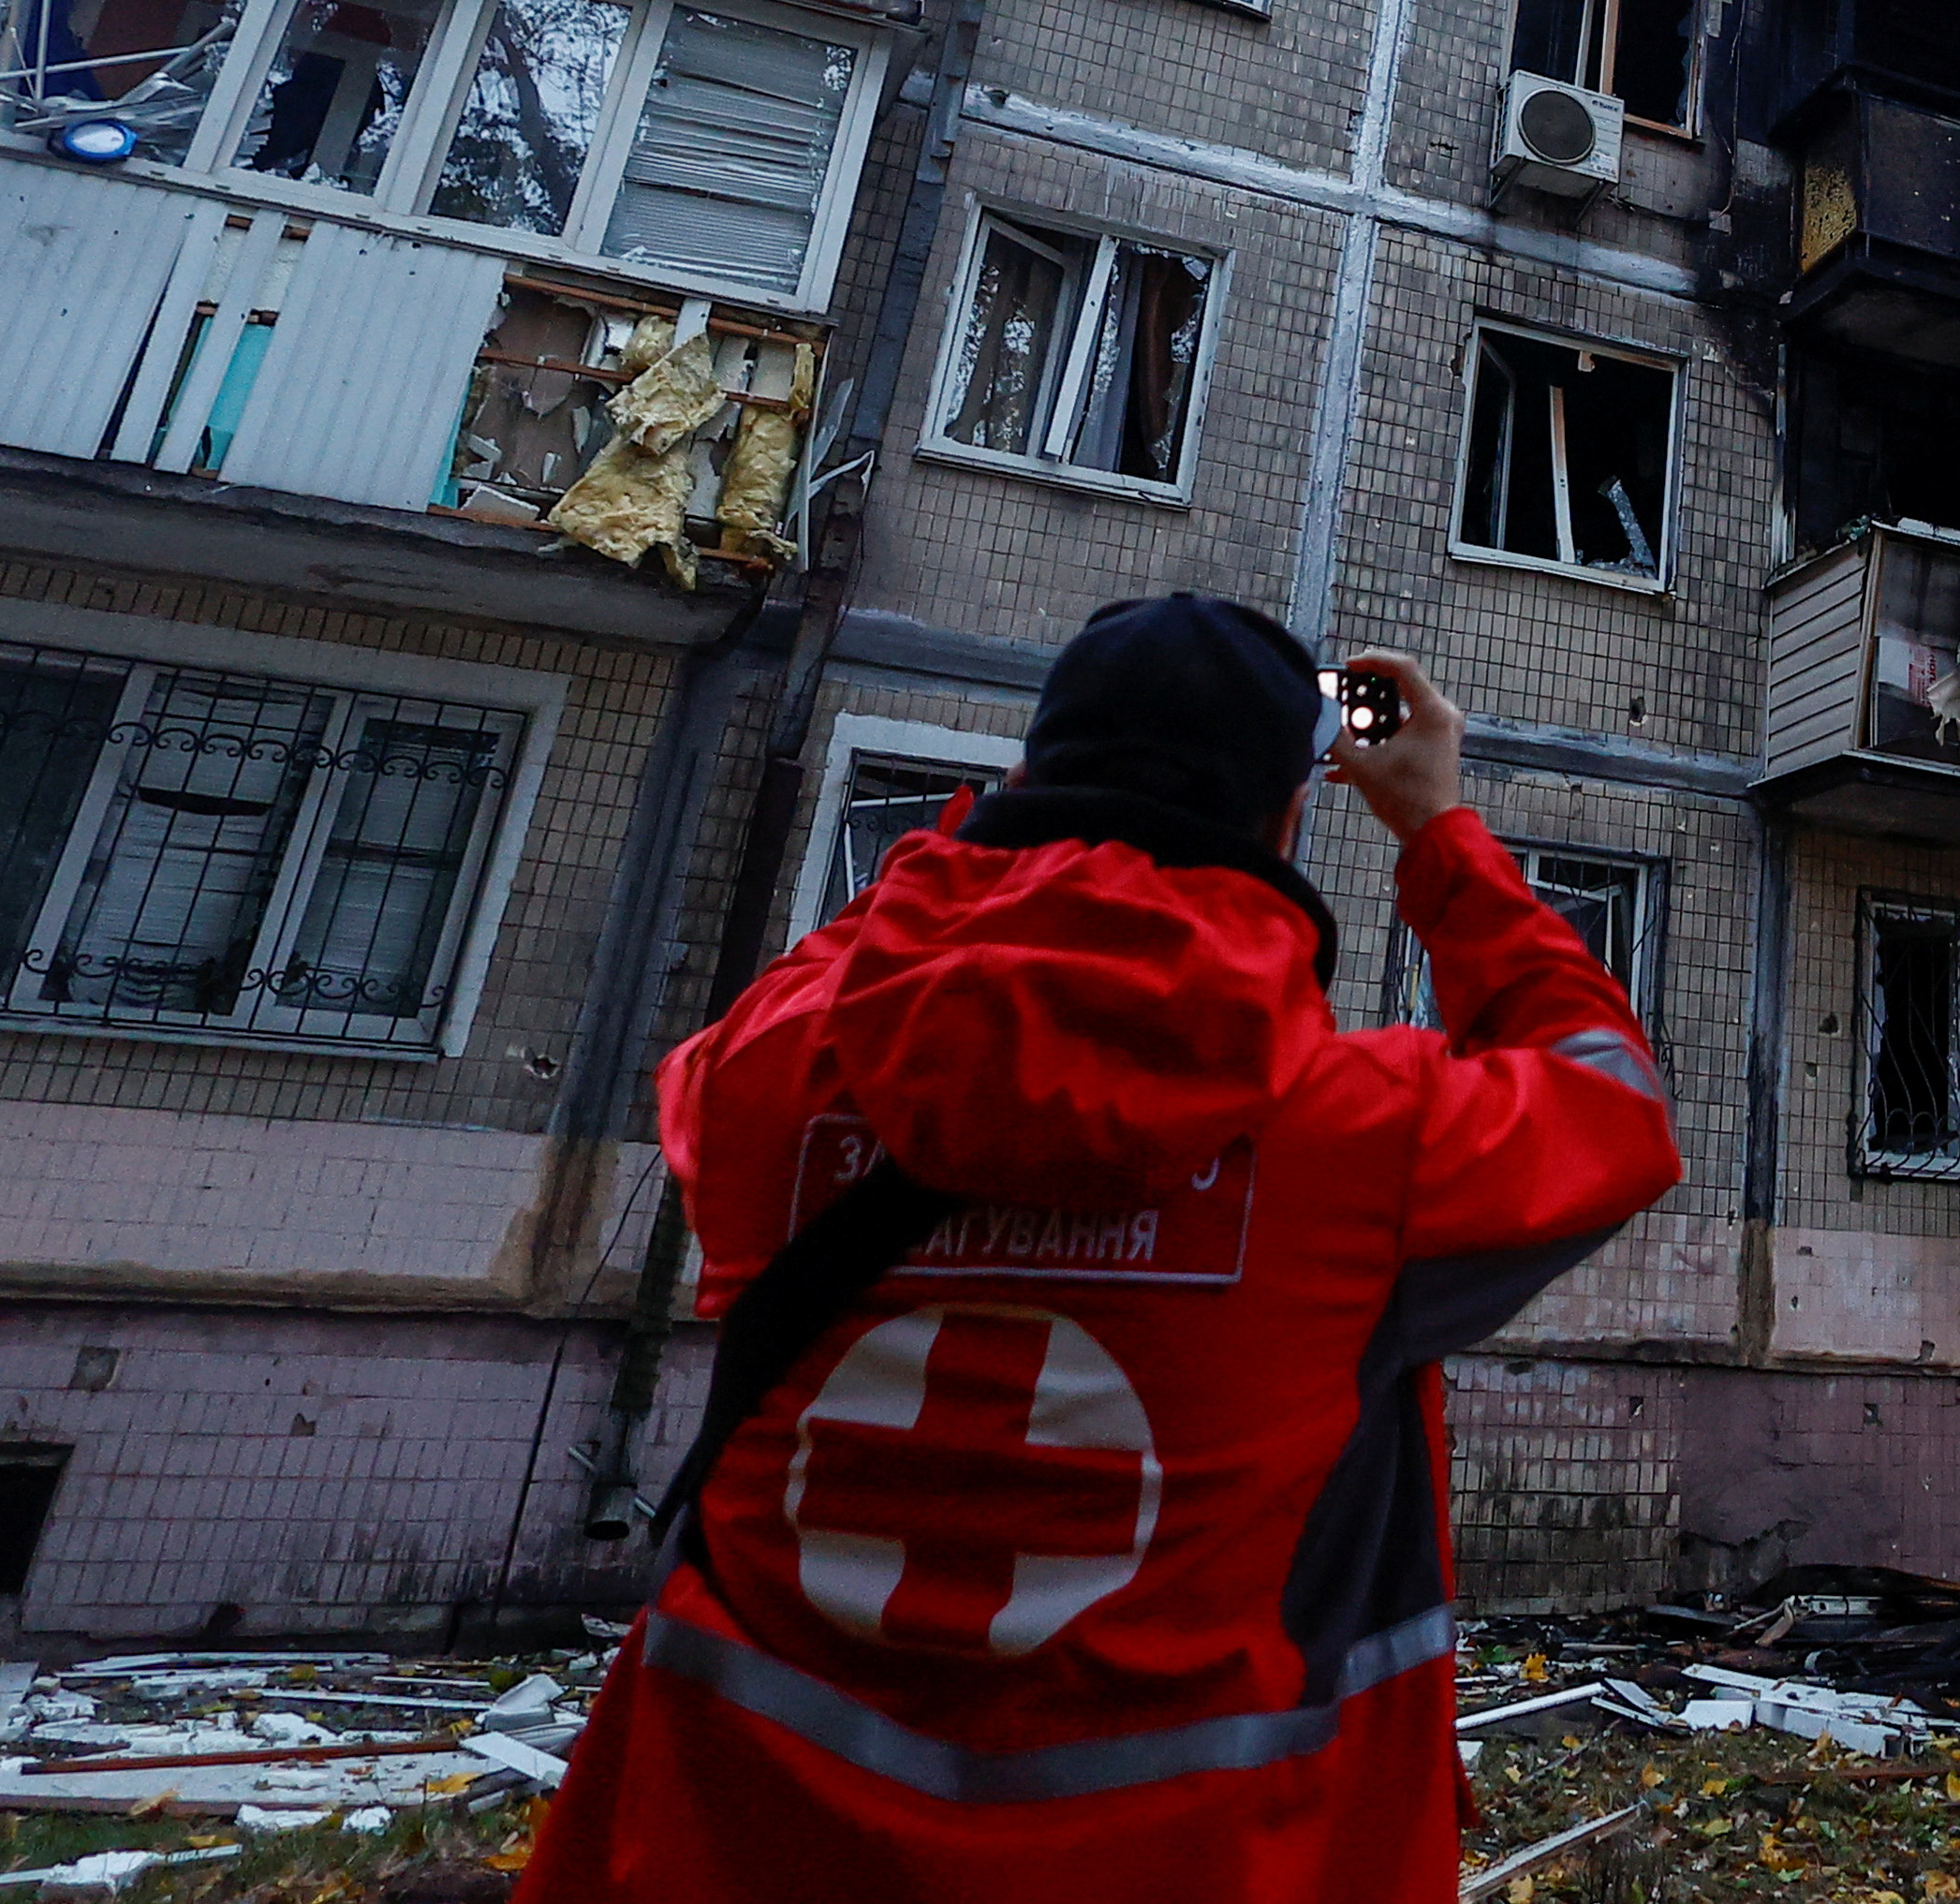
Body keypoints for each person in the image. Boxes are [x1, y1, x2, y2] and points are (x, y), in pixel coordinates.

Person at [515, 598, 1681, 1904]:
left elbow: (786, 1006)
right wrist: (1435, 830)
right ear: (1289, 820)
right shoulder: (1361, 1142)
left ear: (1027, 780)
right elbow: (1612, 1106)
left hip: (731, 1847)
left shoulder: (775, 1089)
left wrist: (985, 845)